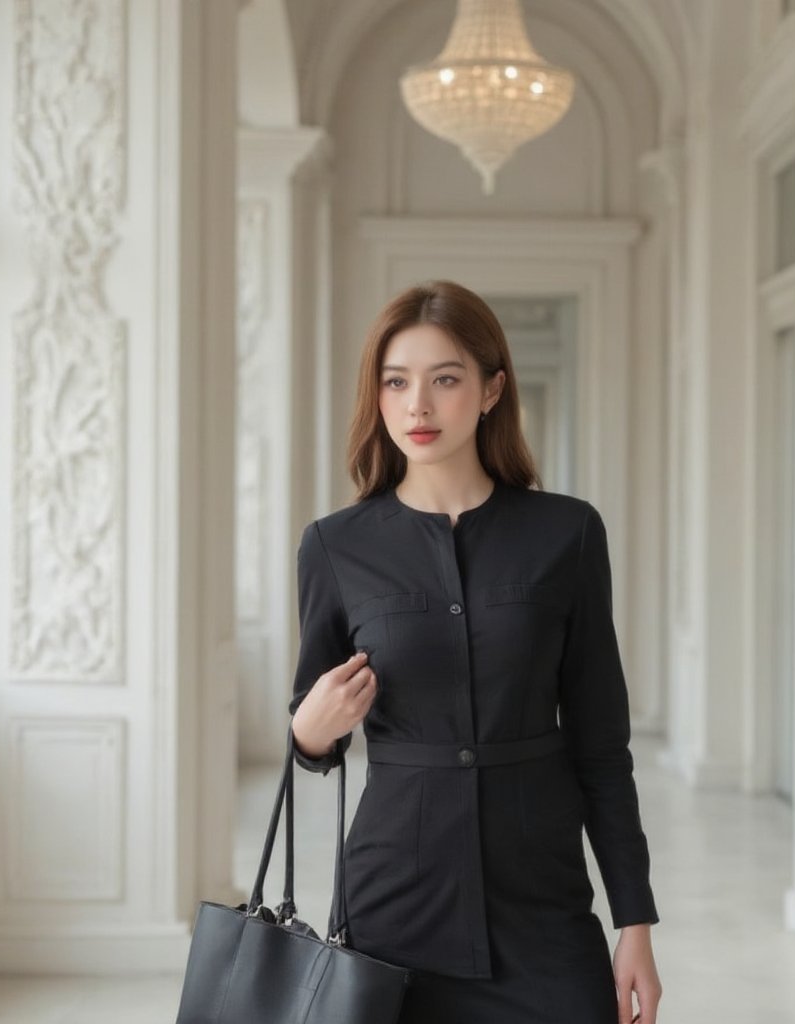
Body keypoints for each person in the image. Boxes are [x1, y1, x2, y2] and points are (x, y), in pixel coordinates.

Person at [288, 280, 662, 1024]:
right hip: (393, 900)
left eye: (445, 379)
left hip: (542, 904)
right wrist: (311, 727)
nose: (417, 405)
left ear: (493, 390)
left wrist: (635, 925)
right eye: (396, 382)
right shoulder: (336, 546)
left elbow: (601, 746)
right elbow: (310, 736)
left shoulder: (568, 535)